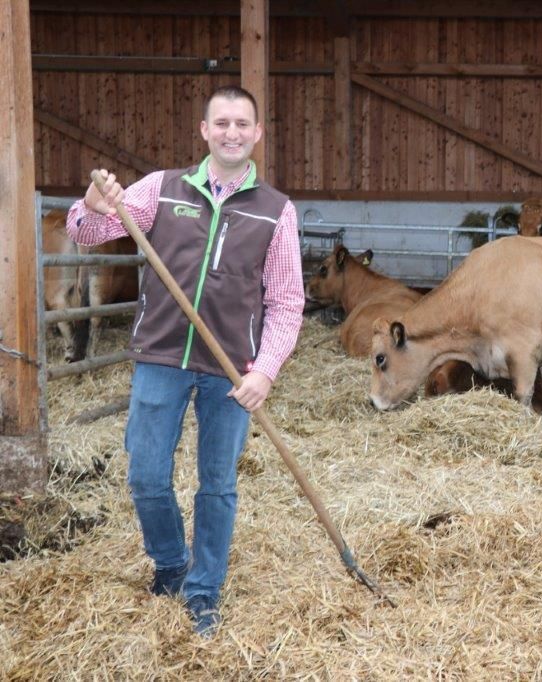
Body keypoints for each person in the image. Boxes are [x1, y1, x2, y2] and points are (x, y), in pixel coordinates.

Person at [66, 85, 305, 638]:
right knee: (147, 475)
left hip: (231, 369)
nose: (231, 133)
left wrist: (264, 370)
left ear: (257, 133)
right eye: (221, 123)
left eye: (242, 124)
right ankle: (173, 563)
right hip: (162, 357)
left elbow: (288, 302)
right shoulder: (162, 189)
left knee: (217, 484)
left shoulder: (276, 212)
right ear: (204, 131)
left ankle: (204, 590)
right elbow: (89, 231)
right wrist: (92, 206)